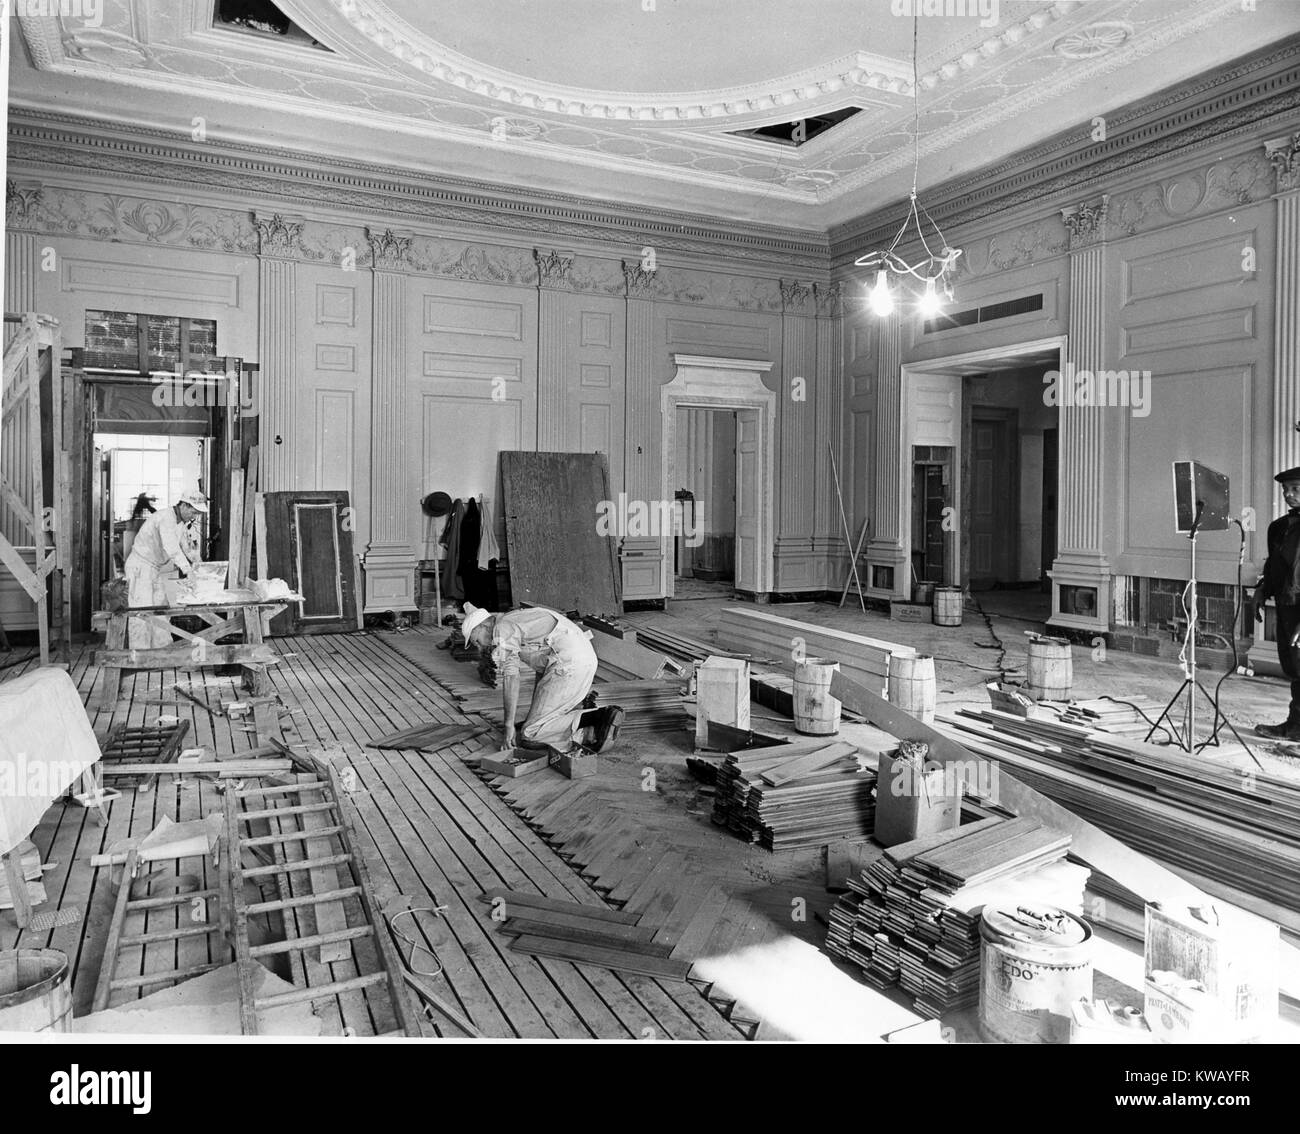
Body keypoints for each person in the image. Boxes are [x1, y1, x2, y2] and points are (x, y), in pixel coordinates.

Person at [460, 603, 624, 755]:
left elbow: (511, 678)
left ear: (482, 625)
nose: (480, 647)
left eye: (476, 640)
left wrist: (508, 724)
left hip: (568, 667)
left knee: (530, 735)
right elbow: (542, 671)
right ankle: (590, 729)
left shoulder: (501, 631)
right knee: (531, 725)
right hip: (581, 661)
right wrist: (533, 714)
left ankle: (598, 719)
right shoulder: (513, 619)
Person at [124, 492, 209, 649]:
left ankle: (162, 652)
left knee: (160, 612)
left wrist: (201, 566)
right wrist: (188, 571)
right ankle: (140, 656)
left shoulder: (180, 523)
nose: (194, 517)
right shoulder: (165, 518)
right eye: (193, 512)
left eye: (197, 514)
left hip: (155, 568)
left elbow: (187, 547)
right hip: (140, 567)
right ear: (183, 505)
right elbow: (172, 548)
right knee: (141, 613)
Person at [1254, 466, 1300, 740]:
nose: (1288, 494)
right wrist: (1261, 590)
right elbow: (1273, 566)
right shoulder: (1279, 527)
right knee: (1295, 667)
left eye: (1295, 489)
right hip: (1286, 606)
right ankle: (1295, 726)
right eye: (1285, 489)